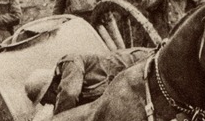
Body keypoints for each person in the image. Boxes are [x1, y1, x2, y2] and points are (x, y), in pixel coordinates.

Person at [26, 47, 154, 116]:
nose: (45, 104)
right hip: (136, 85)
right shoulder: (76, 90)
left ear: (52, 87)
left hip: (143, 63)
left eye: (44, 99)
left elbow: (69, 95)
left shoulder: (69, 62)